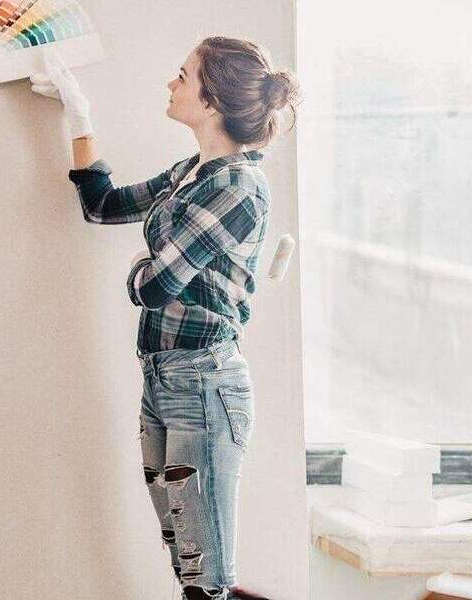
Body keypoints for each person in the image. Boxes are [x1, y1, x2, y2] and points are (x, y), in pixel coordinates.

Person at [30, 37, 300, 600]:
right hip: (163, 379)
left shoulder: (237, 187)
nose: (170, 84)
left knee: (207, 578)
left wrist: (138, 271)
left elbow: (155, 287)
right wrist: (76, 111)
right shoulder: (194, 172)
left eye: (182, 75)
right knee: (187, 563)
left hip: (204, 384)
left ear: (210, 102)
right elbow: (102, 205)